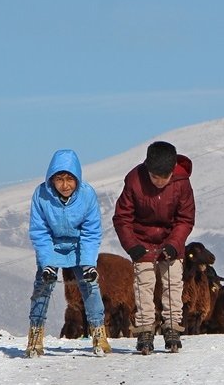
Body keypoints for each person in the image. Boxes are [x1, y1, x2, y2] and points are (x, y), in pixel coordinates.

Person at [113, 141, 195, 354]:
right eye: (154, 177)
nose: (159, 182)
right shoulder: (134, 180)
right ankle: (145, 329)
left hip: (170, 240)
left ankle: (172, 327)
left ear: (171, 172)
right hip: (142, 241)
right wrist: (132, 246)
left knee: (173, 283)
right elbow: (122, 218)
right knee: (144, 284)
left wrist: (175, 244)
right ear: (147, 169)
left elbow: (185, 219)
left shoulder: (182, 183)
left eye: (163, 177)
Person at [25, 149, 109, 358]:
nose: (65, 185)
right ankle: (35, 336)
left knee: (90, 285)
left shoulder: (87, 195)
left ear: (77, 178)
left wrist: (89, 263)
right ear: (51, 179)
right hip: (51, 244)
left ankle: (99, 333)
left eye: (70, 179)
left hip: (79, 245)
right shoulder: (41, 195)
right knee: (42, 287)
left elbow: (91, 232)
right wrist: (47, 264)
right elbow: (39, 230)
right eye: (59, 179)